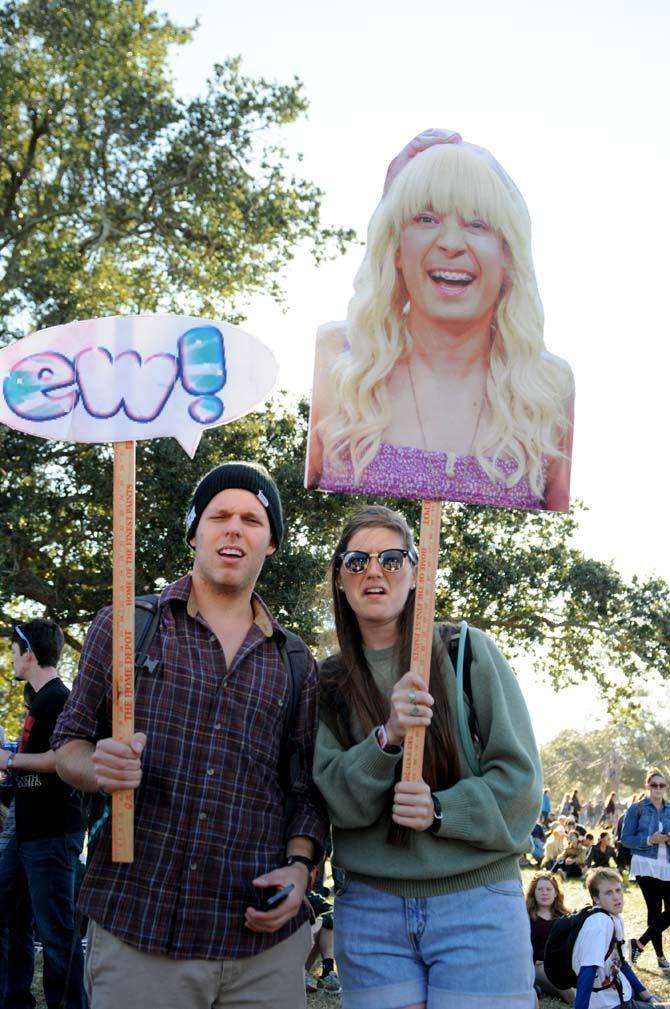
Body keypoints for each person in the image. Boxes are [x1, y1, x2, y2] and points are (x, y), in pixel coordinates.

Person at [52, 462, 328, 1009]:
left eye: (252, 519)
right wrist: (96, 766)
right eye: (219, 515)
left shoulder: (296, 662)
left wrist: (300, 869)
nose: (234, 528)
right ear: (194, 530)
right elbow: (68, 745)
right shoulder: (127, 625)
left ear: (270, 542)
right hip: (140, 929)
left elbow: (306, 792)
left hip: (261, 952)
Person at [313, 504, 542, 1007]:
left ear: (418, 572)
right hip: (370, 912)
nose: (374, 571)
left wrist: (442, 811)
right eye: (357, 561)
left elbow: (522, 783)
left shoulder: (466, 652)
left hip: (477, 903)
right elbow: (336, 803)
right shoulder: (325, 683)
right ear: (339, 580)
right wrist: (387, 739)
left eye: (392, 559)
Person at [306, 131, 575, 511]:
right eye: (426, 218)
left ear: (507, 254)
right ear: (397, 248)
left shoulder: (549, 388)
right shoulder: (341, 359)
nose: (451, 243)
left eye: (478, 223)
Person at [0, 620, 86, 1009]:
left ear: (29, 653)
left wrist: (11, 759)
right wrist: (11, 769)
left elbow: (62, 759)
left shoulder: (58, 699)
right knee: (11, 919)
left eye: (15, 651)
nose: (12, 658)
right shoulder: (37, 699)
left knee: (56, 935)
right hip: (25, 832)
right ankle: (14, 999)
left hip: (51, 834)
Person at [572, 867, 667, 1009]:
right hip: (608, 1004)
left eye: (618, 890)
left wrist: (647, 996)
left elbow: (620, 962)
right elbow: (587, 971)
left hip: (619, 993)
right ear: (596, 899)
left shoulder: (614, 918)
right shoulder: (599, 924)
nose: (616, 897)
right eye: (608, 893)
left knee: (657, 1002)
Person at [621, 768, 670, 971]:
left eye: (661, 785)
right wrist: (650, 839)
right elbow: (625, 839)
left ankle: (638, 944)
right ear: (647, 786)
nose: (658, 788)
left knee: (664, 912)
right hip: (644, 864)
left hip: (666, 865)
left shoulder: (669, 809)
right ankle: (660, 957)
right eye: (654, 784)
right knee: (654, 910)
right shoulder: (636, 808)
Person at [526, 870, 574, 1004]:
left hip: (564, 964)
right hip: (539, 965)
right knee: (565, 985)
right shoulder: (526, 917)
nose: (544, 892)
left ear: (556, 893)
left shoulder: (566, 917)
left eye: (548, 889)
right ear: (533, 893)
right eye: (540, 889)